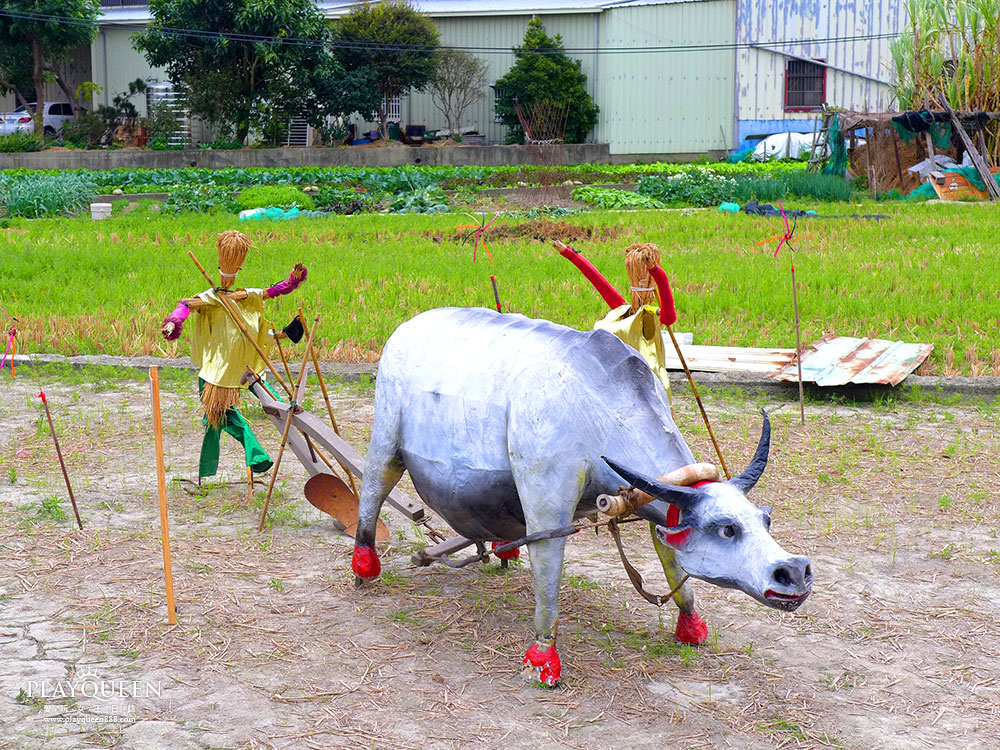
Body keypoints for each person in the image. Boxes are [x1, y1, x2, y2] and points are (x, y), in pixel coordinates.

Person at [160, 230, 307, 479]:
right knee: (215, 419)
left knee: (218, 418)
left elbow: (274, 291)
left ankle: (255, 456)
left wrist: (292, 283)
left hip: (230, 370)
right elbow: (185, 305)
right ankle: (227, 467)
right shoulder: (214, 298)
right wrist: (174, 322)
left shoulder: (244, 296)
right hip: (231, 371)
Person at [555, 240, 676, 402]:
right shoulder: (621, 310)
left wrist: (656, 272)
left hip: (649, 389)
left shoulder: (652, 316)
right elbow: (598, 280)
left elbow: (669, 318)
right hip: (618, 383)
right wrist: (569, 254)